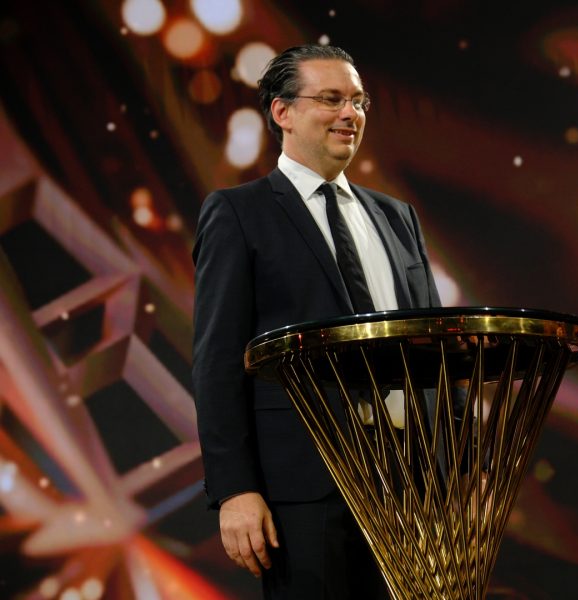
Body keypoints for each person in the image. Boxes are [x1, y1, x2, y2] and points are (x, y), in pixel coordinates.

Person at [191, 44, 441, 599]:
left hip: (407, 486)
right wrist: (234, 490)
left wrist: (441, 473)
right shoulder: (239, 212)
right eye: (331, 99)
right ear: (282, 112)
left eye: (358, 101)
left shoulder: (397, 217)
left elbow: (427, 353)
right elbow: (217, 360)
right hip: (303, 488)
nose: (350, 114)